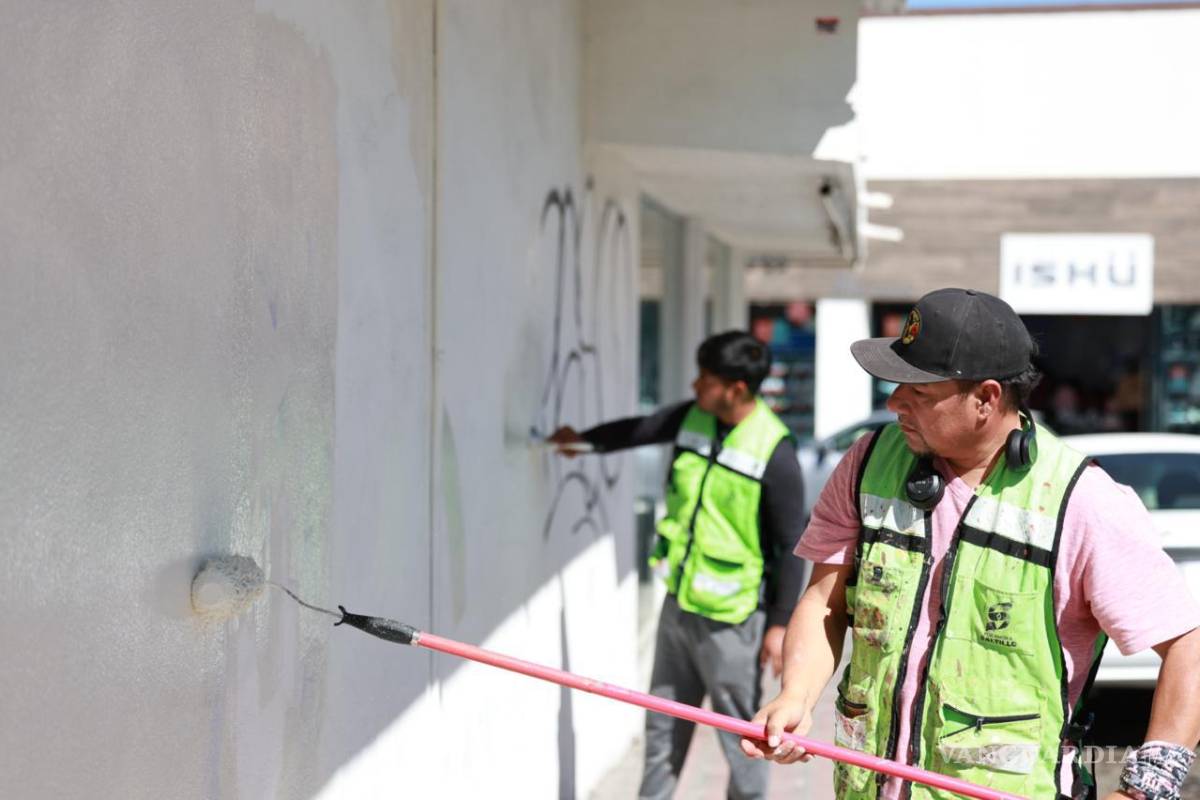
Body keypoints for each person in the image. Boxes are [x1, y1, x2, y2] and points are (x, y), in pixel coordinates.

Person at [740, 288, 1200, 800]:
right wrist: (796, 697)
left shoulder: (1081, 501)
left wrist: (1147, 787)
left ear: (985, 398)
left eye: (918, 394)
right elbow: (826, 603)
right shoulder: (867, 463)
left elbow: (1190, 647)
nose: (893, 404)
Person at [550, 330, 807, 800]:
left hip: (733, 623)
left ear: (736, 389)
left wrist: (778, 625)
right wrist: (583, 443)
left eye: (705, 379)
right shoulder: (693, 419)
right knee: (662, 729)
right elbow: (639, 429)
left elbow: (791, 543)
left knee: (745, 741)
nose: (695, 386)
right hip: (679, 606)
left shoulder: (775, 451)